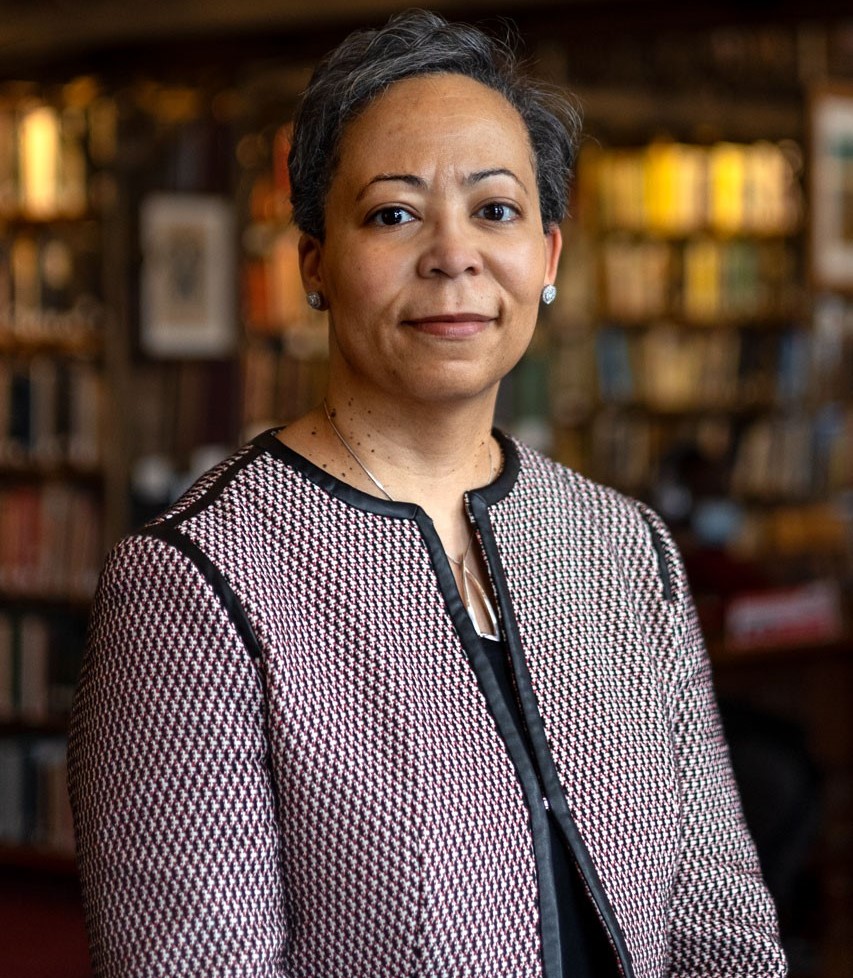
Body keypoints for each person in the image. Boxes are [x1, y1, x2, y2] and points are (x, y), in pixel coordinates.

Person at [67, 10, 788, 978]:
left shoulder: (625, 549)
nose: (454, 254)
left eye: (495, 211)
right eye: (393, 214)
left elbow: (720, 928)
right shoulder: (193, 586)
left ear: (549, 259)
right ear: (313, 262)